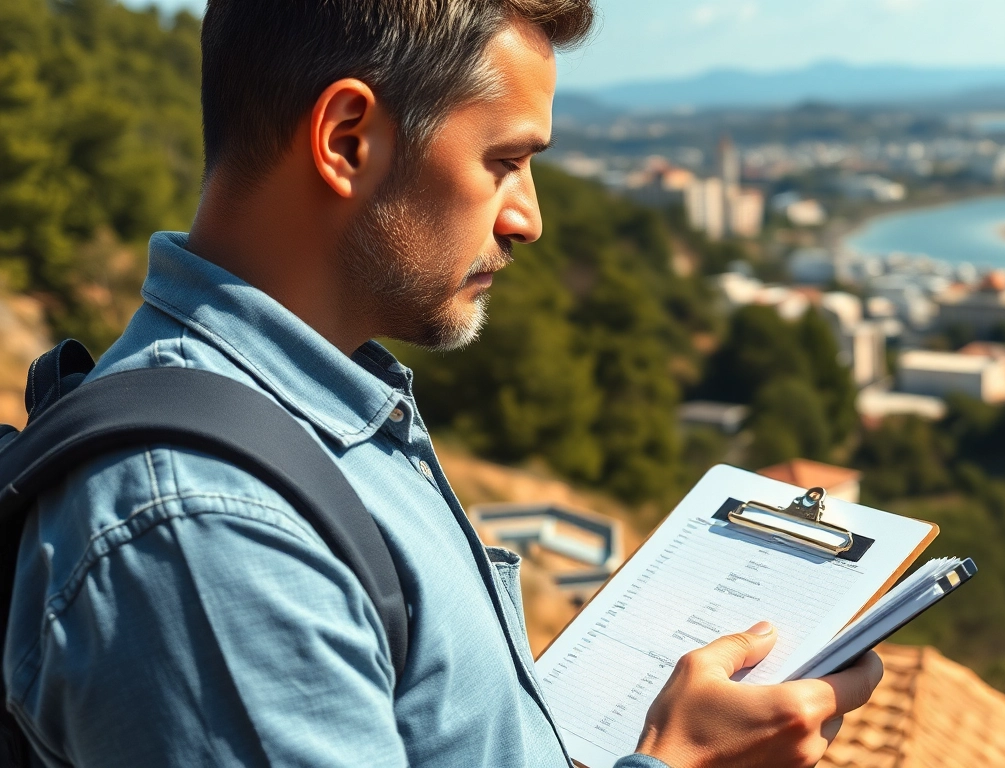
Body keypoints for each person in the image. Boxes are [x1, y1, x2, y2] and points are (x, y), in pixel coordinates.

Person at [2, 2, 884, 766]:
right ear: (348, 140)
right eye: (504, 161)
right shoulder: (207, 528)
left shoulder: (322, 419)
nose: (528, 218)